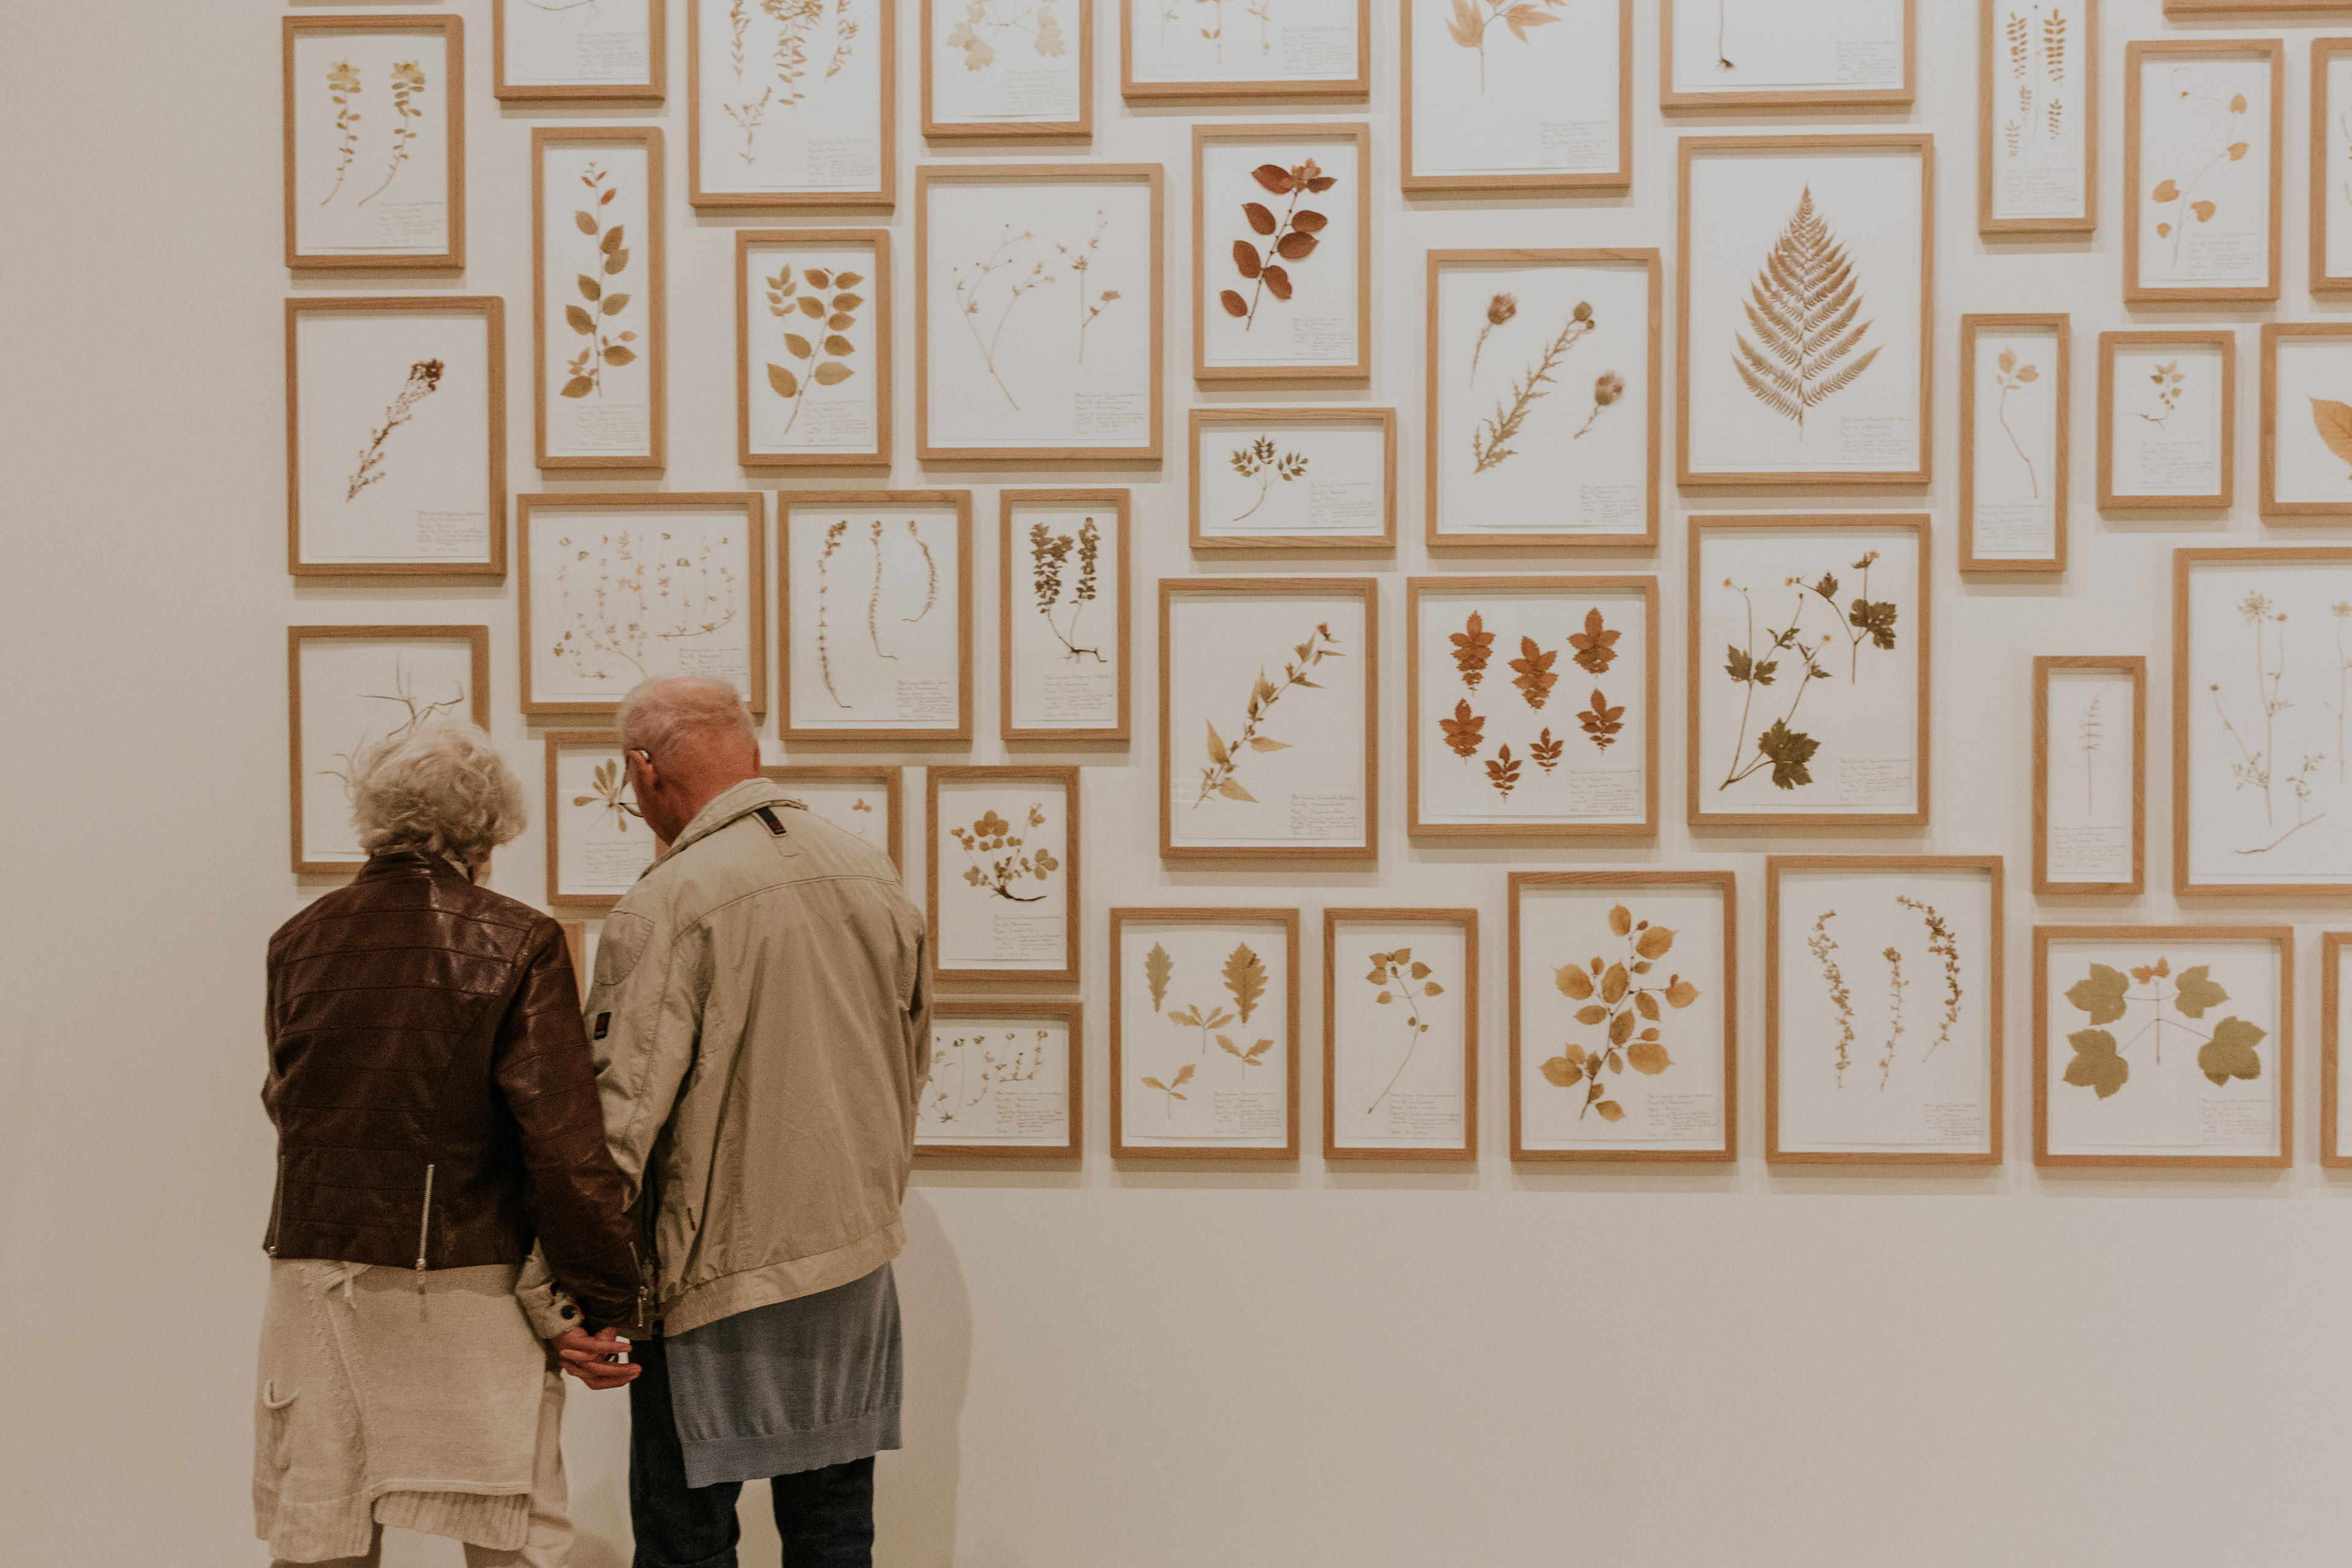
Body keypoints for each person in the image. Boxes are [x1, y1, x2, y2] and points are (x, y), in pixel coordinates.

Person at [552, 676, 928, 1568]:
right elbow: (912, 1068)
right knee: (836, 1538)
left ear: (642, 771)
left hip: (713, 1283)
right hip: (852, 1272)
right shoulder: (871, 873)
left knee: (686, 1546)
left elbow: (616, 1127)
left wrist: (562, 1297)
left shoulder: (667, 903)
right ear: (753, 754)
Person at [254, 720, 644, 1568]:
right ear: (488, 829)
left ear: (376, 816)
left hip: (316, 1277)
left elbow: (287, 1101)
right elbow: (562, 1145)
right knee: (510, 1536)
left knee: (323, 1535)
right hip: (463, 1288)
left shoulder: (298, 939)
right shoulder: (521, 939)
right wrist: (604, 1301)